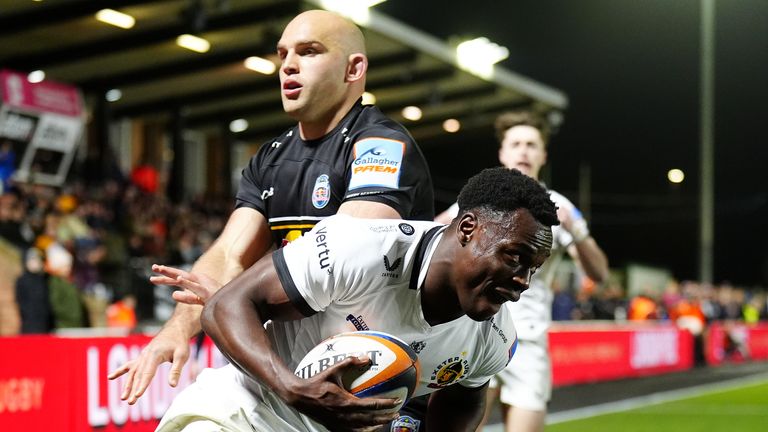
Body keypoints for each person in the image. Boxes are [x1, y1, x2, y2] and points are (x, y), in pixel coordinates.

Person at [108, 9, 434, 405]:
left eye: (309, 51)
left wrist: (238, 298)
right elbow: (230, 254)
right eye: (283, 55)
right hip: (295, 358)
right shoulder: (270, 158)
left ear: (354, 69)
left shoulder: (380, 145)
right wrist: (179, 327)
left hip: (374, 365)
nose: (289, 66)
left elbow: (347, 256)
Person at [155, 167, 559, 432]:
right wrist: (294, 389)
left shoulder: (495, 337)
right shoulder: (360, 248)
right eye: (514, 257)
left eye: (533, 268)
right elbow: (226, 305)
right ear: (468, 228)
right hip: (243, 416)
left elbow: (465, 398)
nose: (522, 281)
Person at [436, 110, 609, 432]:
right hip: (470, 333)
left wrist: (578, 232)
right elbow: (432, 239)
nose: (523, 150)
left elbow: (599, 274)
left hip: (526, 341)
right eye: (516, 143)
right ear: (502, 152)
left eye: (531, 144)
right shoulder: (478, 198)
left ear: (543, 154)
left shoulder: (559, 207)